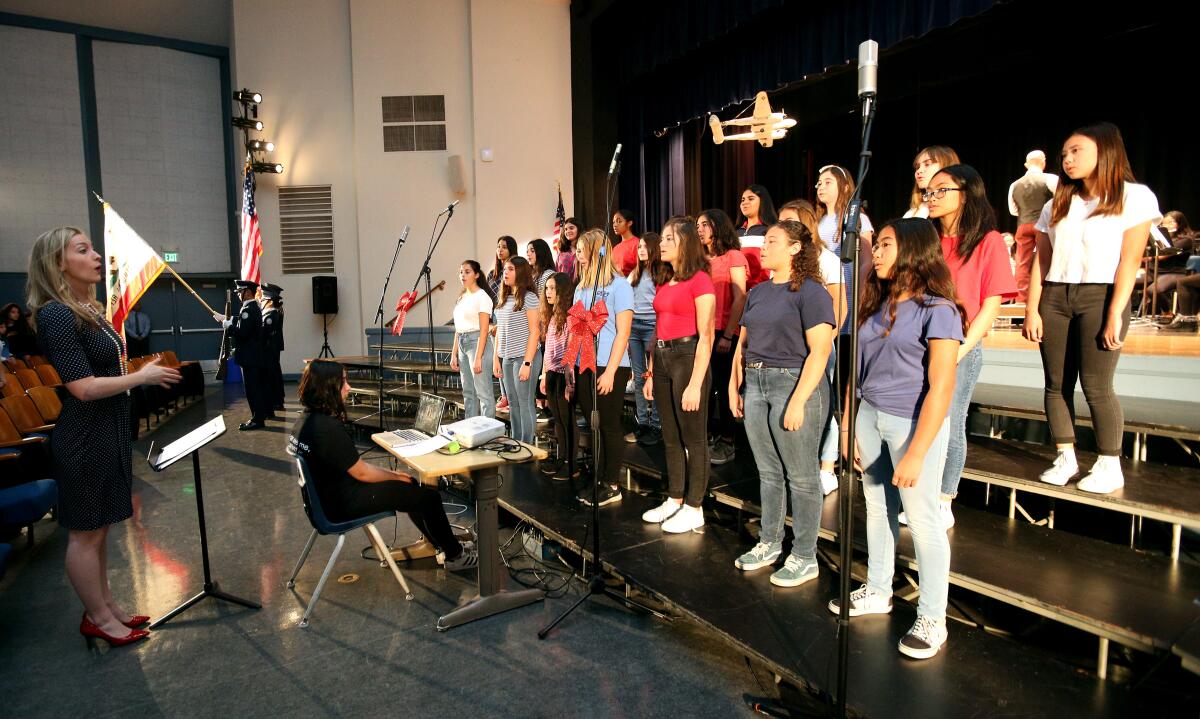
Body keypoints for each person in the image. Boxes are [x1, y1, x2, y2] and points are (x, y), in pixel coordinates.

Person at [28, 226, 182, 647]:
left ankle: (107, 607)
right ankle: (96, 617)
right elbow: (82, 388)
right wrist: (140, 376)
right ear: (58, 263)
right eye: (83, 250)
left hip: (107, 430)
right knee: (84, 533)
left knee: (101, 529)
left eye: (93, 248)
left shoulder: (86, 309)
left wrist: (134, 376)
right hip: (84, 435)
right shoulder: (55, 315)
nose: (96, 255)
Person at [828, 218, 965, 661]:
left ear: (913, 250)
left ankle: (932, 617)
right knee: (875, 507)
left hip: (912, 426)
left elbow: (942, 388)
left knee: (922, 520)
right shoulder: (876, 304)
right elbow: (857, 373)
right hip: (869, 416)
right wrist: (848, 426)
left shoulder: (938, 310)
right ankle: (879, 589)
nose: (877, 252)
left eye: (886, 245)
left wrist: (919, 453)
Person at [1024, 122, 1161, 494]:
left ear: (1104, 152)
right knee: (1056, 384)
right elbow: (1041, 259)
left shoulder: (1134, 197)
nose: (1067, 160)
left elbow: (1129, 261)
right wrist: (1032, 308)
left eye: (1076, 152)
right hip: (1056, 295)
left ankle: (1108, 462)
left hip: (1100, 295)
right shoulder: (1057, 203)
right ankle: (1065, 456)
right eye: (1064, 154)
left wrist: (1116, 311)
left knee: (1097, 385)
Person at [290, 360, 477, 570]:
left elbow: (355, 468)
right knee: (429, 497)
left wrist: (394, 475)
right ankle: (455, 555)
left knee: (413, 489)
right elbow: (362, 473)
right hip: (342, 505)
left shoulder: (305, 421)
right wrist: (396, 476)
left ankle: (442, 543)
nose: (349, 387)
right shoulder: (327, 429)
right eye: (343, 382)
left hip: (326, 502)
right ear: (328, 387)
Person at [730, 220, 834, 587]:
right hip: (756, 383)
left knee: (802, 478)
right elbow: (743, 344)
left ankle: (805, 556)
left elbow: (820, 351)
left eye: (772, 240)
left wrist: (799, 401)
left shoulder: (811, 292)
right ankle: (770, 542)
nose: (763, 245)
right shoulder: (758, 292)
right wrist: (734, 384)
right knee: (769, 472)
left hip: (792, 383)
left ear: (794, 248)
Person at [923, 165, 1017, 527]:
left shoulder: (987, 241)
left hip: (959, 348)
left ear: (966, 193)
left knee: (949, 422)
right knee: (920, 419)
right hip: (921, 345)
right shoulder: (927, 241)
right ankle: (921, 492)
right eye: (928, 192)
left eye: (940, 190)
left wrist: (959, 351)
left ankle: (944, 497)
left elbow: (991, 304)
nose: (931, 198)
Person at [641, 217, 715, 533]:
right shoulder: (665, 280)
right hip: (662, 358)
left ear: (685, 242)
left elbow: (707, 335)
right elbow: (660, 327)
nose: (663, 244)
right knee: (670, 437)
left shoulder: (700, 280)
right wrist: (649, 373)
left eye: (670, 238)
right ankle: (675, 499)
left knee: (693, 439)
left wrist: (696, 383)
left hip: (688, 357)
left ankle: (695, 506)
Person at [778, 200, 846, 496]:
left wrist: (824, 340)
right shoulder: (782, 264)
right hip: (788, 347)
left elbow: (838, 306)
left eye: (789, 221)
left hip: (817, 345)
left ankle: (827, 466)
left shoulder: (826, 259)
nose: (782, 227)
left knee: (821, 402)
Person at [571, 228, 635, 507]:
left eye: (582, 250)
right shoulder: (581, 287)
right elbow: (576, 330)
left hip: (610, 364)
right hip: (584, 362)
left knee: (608, 423)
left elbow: (623, 332)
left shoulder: (620, 286)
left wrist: (609, 371)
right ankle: (598, 477)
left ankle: (612, 483)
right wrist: (572, 367)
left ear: (597, 250)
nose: (578, 255)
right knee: (592, 424)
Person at [697, 208, 748, 465]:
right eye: (698, 225)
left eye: (705, 224)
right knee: (704, 386)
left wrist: (729, 334)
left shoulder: (734, 256)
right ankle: (706, 438)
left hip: (724, 331)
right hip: (702, 332)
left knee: (724, 385)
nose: (700, 229)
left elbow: (740, 296)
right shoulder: (700, 260)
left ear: (718, 227)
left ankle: (728, 442)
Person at [493, 256, 540, 444]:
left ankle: (527, 445)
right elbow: (498, 332)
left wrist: (527, 363)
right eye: (505, 269)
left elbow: (535, 332)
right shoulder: (504, 298)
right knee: (512, 403)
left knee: (525, 402)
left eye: (510, 269)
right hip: (507, 358)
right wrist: (496, 358)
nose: (505, 272)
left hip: (524, 357)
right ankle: (516, 441)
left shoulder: (529, 297)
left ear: (520, 272)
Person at [214, 280, 269, 430]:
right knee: (255, 388)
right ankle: (259, 416)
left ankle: (257, 419)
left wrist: (229, 327)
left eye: (240, 291)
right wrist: (228, 319)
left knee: (252, 389)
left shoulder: (248, 310)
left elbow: (243, 333)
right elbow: (245, 325)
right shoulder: (251, 308)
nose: (238, 294)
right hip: (253, 356)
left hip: (249, 357)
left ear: (248, 292)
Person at [624, 232, 662, 446]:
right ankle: (642, 423)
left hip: (652, 327)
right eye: (638, 246)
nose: (640, 250)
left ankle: (656, 425)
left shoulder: (661, 274)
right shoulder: (634, 274)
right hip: (634, 329)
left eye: (645, 246)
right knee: (638, 377)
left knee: (653, 377)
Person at [538, 271, 576, 479]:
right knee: (558, 420)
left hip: (564, 374)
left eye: (553, 289)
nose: (549, 292)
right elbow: (548, 348)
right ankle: (562, 458)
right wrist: (544, 375)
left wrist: (570, 382)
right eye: (547, 289)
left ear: (563, 291)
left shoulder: (570, 316)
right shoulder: (552, 316)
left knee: (567, 419)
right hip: (552, 372)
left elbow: (571, 349)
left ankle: (572, 464)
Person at [1007, 150, 1059, 303]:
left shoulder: (1014, 185)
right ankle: (1046, 299)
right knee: (1047, 260)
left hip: (1023, 225)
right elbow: (1061, 202)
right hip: (1043, 225)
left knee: (1022, 263)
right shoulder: (1050, 179)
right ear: (1043, 162)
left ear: (1026, 164)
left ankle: (1021, 300)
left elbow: (1013, 210)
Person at [450, 260, 496, 418]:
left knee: (484, 393)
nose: (463, 275)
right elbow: (458, 327)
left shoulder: (482, 297)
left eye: (467, 271)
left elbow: (484, 329)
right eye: (461, 271)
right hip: (463, 343)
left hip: (477, 343)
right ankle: (470, 431)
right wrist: (454, 353)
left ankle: (487, 435)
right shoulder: (461, 297)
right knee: (468, 392)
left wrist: (478, 357)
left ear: (476, 275)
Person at [488, 236, 517, 411]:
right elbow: (488, 300)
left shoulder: (517, 271)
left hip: (511, 317)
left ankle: (513, 395)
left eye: (504, 247)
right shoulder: (492, 274)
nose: (500, 250)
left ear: (511, 250)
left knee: (509, 356)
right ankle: (504, 395)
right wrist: (491, 323)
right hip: (495, 316)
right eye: (498, 246)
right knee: (498, 356)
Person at [735, 184, 778, 288]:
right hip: (738, 292)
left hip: (763, 290)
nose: (745, 203)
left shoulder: (771, 231)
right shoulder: (735, 233)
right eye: (743, 200)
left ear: (762, 202)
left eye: (751, 199)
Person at [904, 146, 961, 220]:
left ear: (946, 167)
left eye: (927, 164)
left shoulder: (953, 207)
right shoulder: (913, 212)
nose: (919, 171)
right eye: (917, 167)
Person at [260, 284, 286, 415]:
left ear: (269, 301)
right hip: (273, 347)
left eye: (263, 300)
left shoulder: (271, 314)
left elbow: (264, 333)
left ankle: (275, 401)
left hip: (269, 348)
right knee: (275, 373)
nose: (261, 302)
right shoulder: (276, 311)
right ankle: (278, 399)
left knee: (271, 375)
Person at [609, 209, 640, 276]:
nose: (615, 225)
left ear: (629, 223)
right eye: (613, 222)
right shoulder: (616, 248)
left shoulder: (637, 244)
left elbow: (641, 269)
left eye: (619, 221)